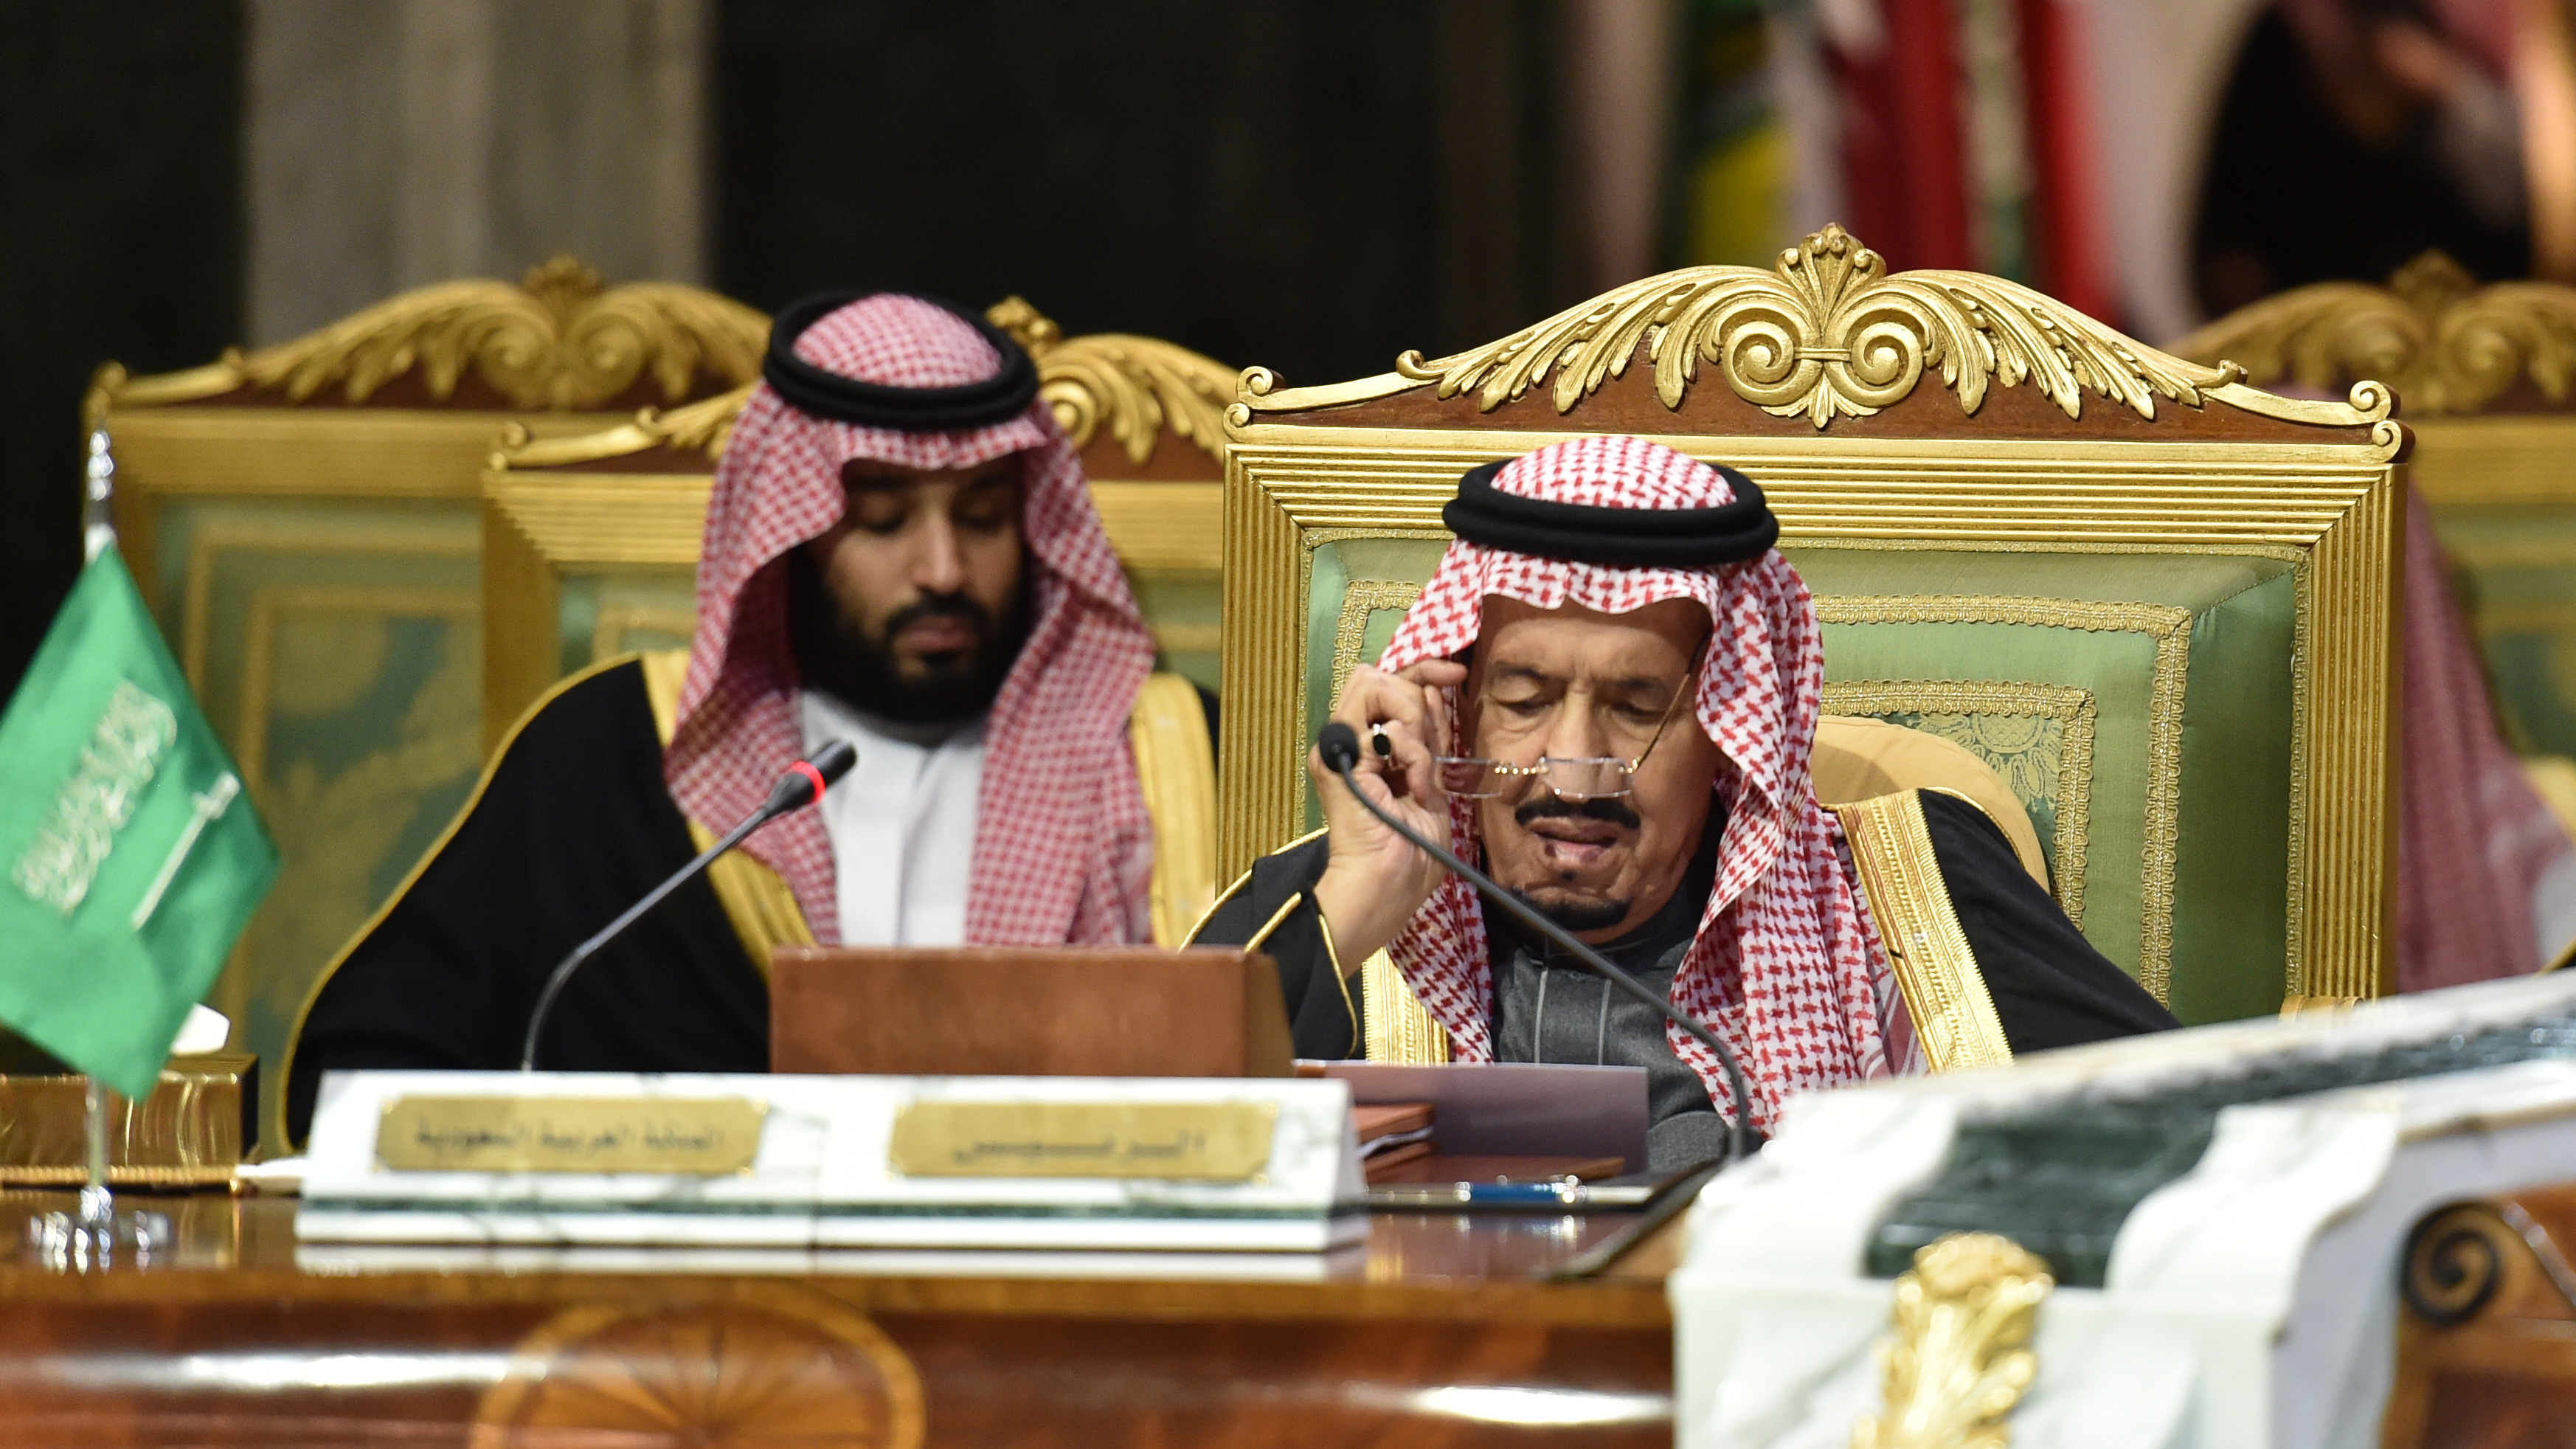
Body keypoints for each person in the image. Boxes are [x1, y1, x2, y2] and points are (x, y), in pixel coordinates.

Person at [286, 293, 1206, 1141]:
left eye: (984, 517)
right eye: (883, 521)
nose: (943, 570)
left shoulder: (1175, 758)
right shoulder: (612, 755)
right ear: (791, 540)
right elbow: (370, 1072)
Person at [1189, 437, 2175, 1172]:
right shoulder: (1346, 910)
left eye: (1636, 707)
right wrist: (1363, 893)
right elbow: (1134, 1150)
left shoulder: (1906, 887)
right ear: (1460, 706)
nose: (1571, 770)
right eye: (1523, 701)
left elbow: (2173, 1139)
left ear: (1726, 730)